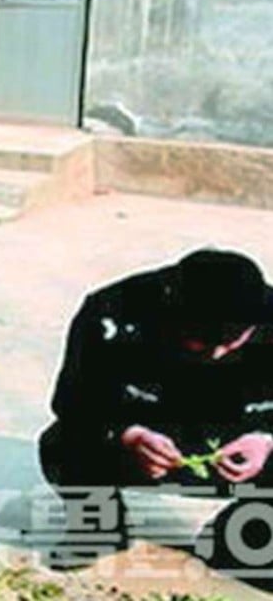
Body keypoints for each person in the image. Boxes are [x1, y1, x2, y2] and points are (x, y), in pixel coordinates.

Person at [39, 249, 273, 582]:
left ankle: (242, 538)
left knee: (251, 558)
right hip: (148, 433)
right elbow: (73, 400)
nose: (216, 354)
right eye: (201, 343)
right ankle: (99, 527)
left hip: (243, 442)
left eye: (231, 342)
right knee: (63, 441)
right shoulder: (113, 310)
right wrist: (128, 433)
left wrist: (266, 440)